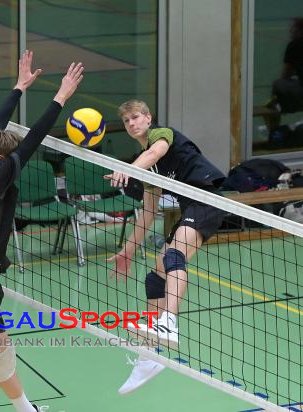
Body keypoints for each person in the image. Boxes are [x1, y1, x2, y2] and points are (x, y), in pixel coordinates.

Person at [0, 56, 84, 412]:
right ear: (1, 161)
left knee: (3, 351)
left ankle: (27, 409)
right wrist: (61, 97)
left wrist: (19, 87)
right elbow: (32, 140)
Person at [104, 99, 227, 394]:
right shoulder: (148, 166)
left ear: (148, 118)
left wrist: (130, 170)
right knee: (156, 274)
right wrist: (128, 250)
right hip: (190, 208)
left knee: (173, 256)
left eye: (136, 118)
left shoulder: (163, 136)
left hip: (207, 199)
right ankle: (148, 357)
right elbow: (148, 213)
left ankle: (168, 322)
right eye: (126, 122)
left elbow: (155, 151)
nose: (132, 124)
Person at [265, 18, 303, 142]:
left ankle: (275, 129)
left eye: (292, 28)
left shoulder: (294, 45)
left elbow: (285, 75)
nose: (290, 31)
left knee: (278, 85)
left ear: (299, 30)